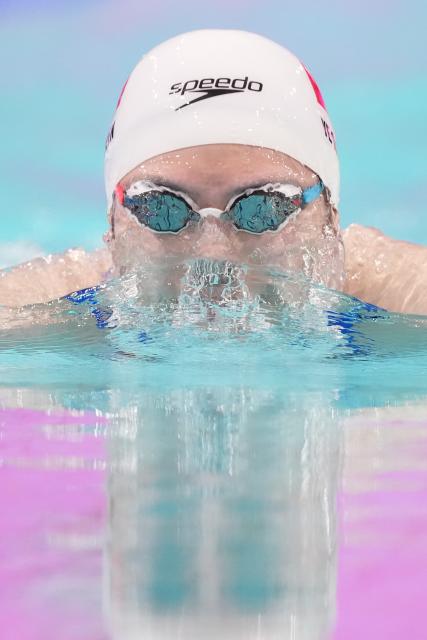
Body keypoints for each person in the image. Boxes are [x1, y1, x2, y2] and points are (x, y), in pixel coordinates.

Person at [1, 29, 426, 314]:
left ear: (331, 220)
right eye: (162, 209)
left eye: (262, 208)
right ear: (112, 225)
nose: (212, 258)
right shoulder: (35, 310)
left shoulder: (404, 294)